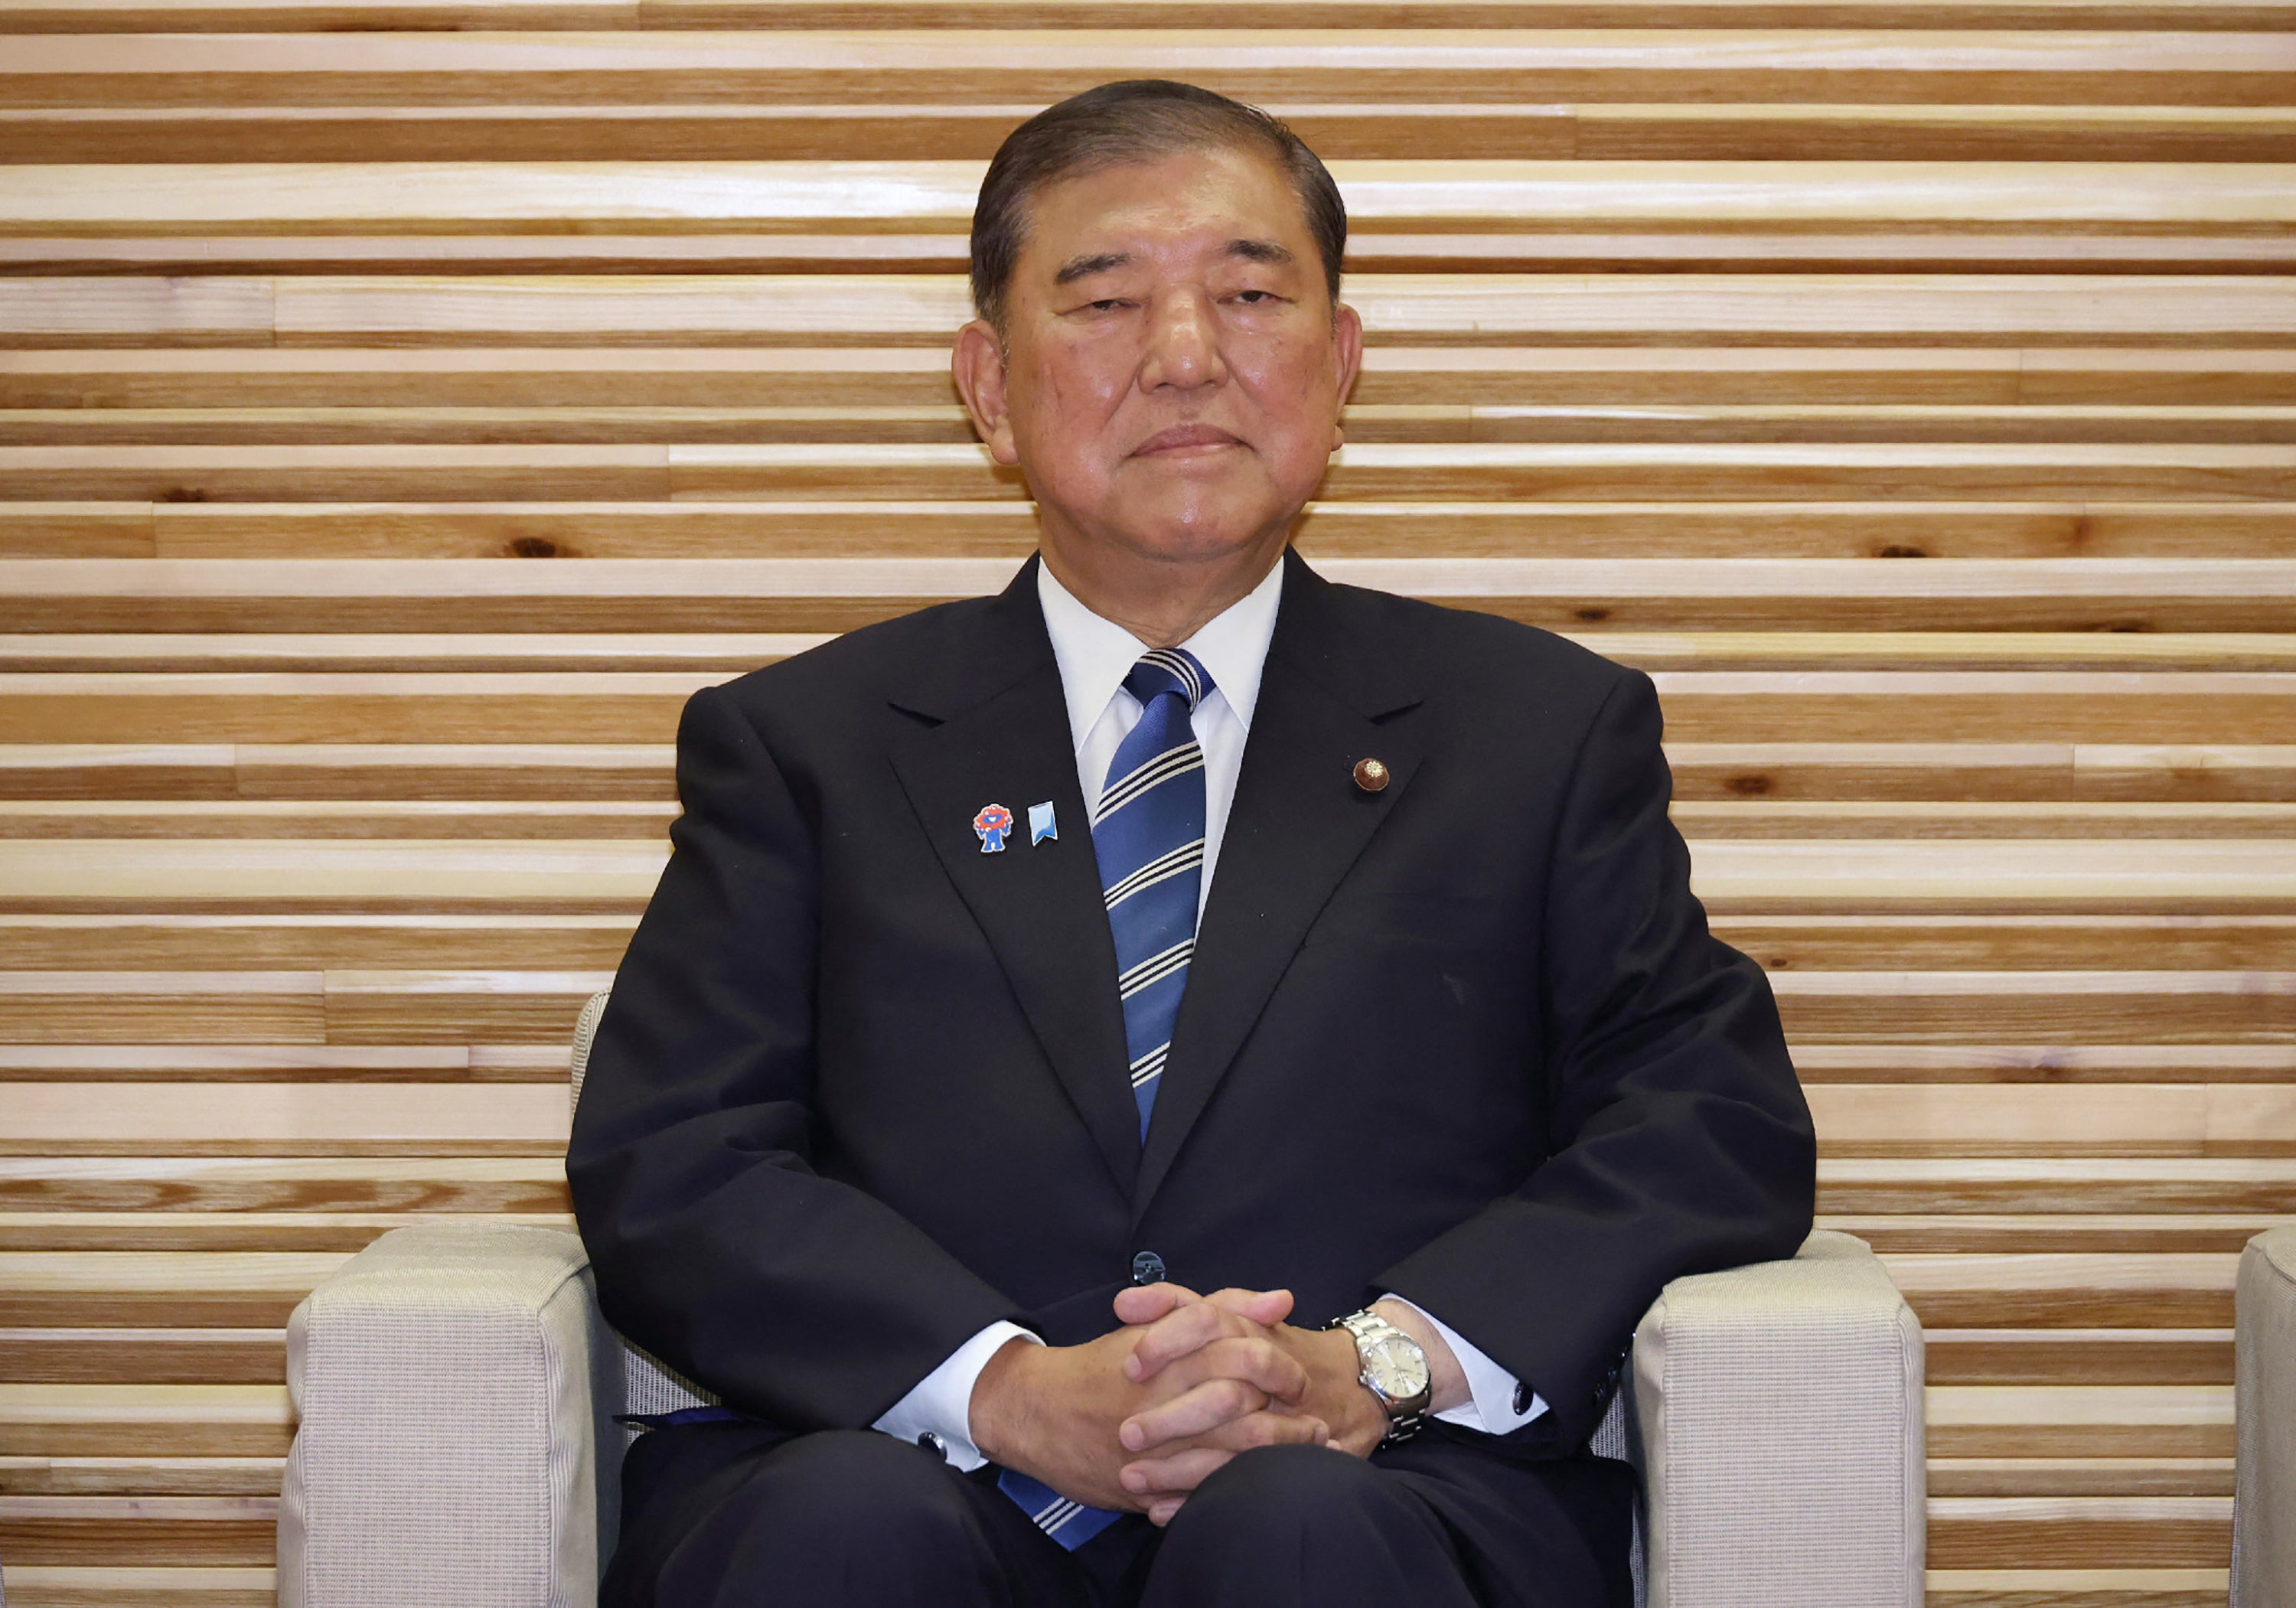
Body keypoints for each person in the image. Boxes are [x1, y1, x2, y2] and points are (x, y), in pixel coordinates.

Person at [568, 77, 1815, 1608]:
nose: (1183, 356)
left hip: (1377, 1505)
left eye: (1249, 295)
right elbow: (675, 1157)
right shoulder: (805, 746)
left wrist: (1374, 1365)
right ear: (987, 386)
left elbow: (1706, 1119)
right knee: (841, 1526)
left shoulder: (1538, 732)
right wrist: (1003, 1388)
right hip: (907, 1482)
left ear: (1339, 366)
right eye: (1105, 302)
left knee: (1299, 1529)